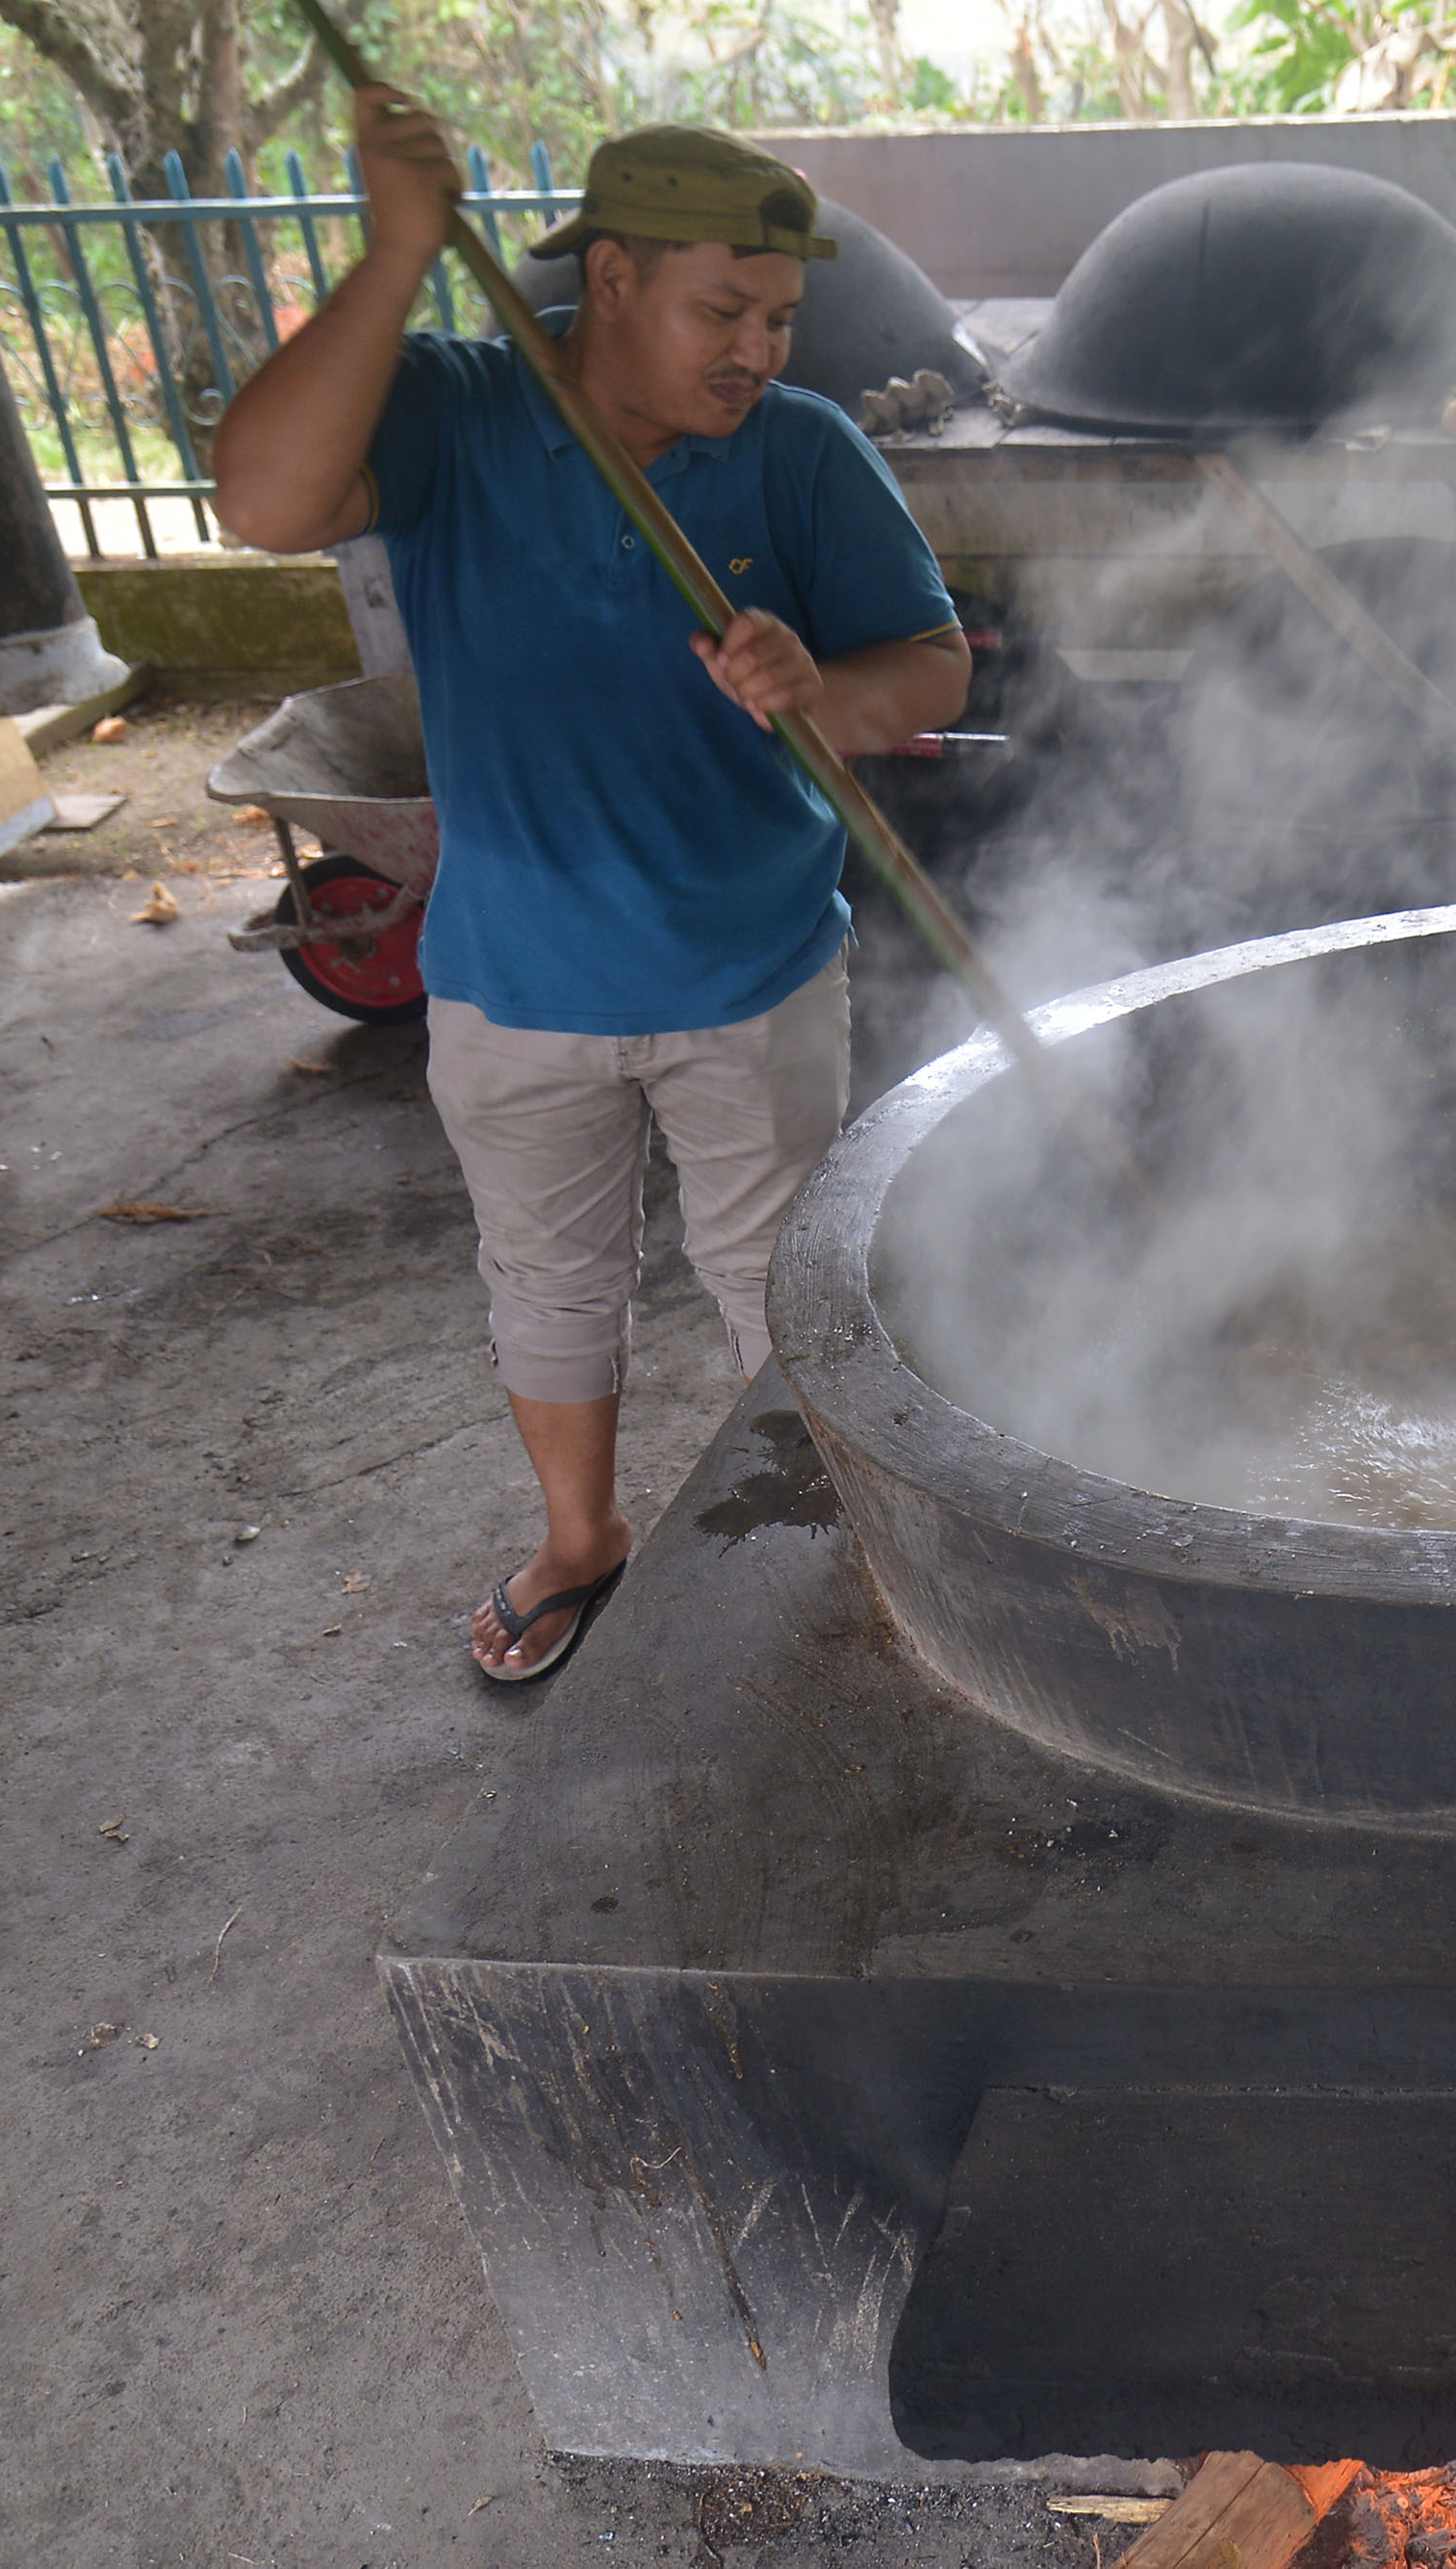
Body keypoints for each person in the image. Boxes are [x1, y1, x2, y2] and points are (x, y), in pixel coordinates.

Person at [213, 97, 968, 1683]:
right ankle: (581, 1539)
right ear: (608, 278)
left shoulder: (803, 454)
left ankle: (842, 1548)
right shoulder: (455, 413)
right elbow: (267, 505)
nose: (759, 349)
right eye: (724, 310)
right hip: (515, 973)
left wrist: (817, 687)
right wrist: (399, 252)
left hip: (749, 968)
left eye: (779, 318)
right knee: (548, 1280)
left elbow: (933, 664)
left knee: (787, 1284)